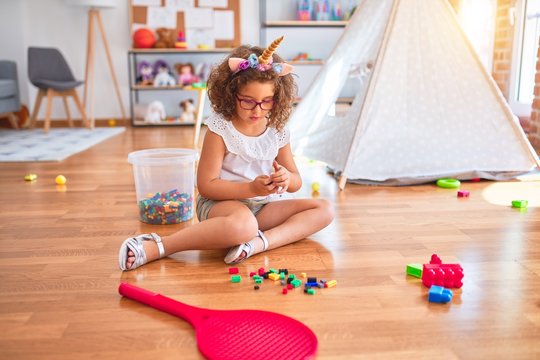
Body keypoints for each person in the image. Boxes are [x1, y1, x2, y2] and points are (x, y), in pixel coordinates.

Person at [118, 36, 334, 271]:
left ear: (277, 99)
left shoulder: (277, 132)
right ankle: (159, 246)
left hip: (263, 207)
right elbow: (207, 186)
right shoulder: (220, 129)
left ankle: (256, 245)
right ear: (232, 95)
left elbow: (295, 182)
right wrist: (250, 189)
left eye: (266, 102)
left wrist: (286, 178)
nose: (257, 110)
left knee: (324, 209)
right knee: (244, 225)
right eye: (248, 101)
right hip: (222, 205)